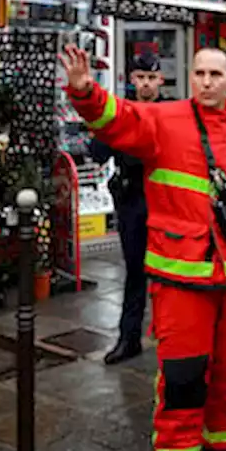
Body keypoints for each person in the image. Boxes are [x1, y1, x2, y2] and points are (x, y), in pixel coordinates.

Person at [60, 44, 226, 451]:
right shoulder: (163, 121)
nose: (205, 81)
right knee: (184, 373)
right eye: (198, 73)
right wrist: (85, 90)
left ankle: (225, 438)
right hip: (180, 277)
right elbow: (117, 120)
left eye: (214, 74)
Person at [87, 51, 164, 365]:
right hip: (133, 199)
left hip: (165, 200)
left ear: (160, 79)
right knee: (134, 272)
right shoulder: (121, 112)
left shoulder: (172, 112)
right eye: (140, 78)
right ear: (132, 80)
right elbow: (97, 152)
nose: (146, 85)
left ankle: (169, 336)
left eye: (151, 78)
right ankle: (128, 338)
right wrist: (115, 127)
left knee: (166, 274)